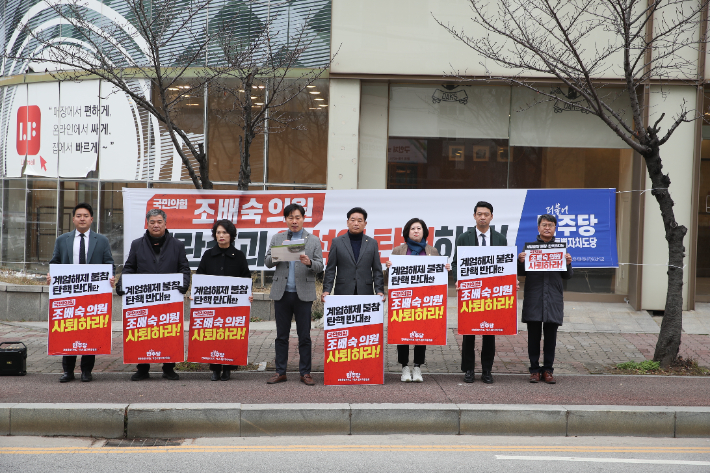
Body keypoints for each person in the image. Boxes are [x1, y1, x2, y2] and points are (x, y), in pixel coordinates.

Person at [116, 209, 191, 381]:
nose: (156, 225)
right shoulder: (137, 244)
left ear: (165, 223)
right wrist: (121, 284)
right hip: (144, 299)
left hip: (168, 299)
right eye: (152, 222)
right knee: (143, 332)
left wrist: (184, 284)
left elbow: (184, 269)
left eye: (159, 222)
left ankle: (169, 367)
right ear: (147, 224)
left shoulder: (177, 245)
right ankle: (142, 369)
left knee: (168, 331)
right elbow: (129, 268)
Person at [47, 203, 115, 383]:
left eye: (85, 215)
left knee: (89, 330)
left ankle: (86, 371)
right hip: (69, 294)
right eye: (79, 215)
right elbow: (55, 262)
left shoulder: (102, 240)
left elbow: (109, 263)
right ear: (73, 219)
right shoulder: (63, 240)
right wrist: (51, 276)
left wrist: (111, 278)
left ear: (91, 219)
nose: (82, 218)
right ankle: (68, 371)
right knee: (68, 330)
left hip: (93, 294)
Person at [264, 203, 324, 386]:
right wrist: (279, 254)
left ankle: (305, 372)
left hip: (303, 294)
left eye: (297, 217)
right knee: (281, 335)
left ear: (303, 219)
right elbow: (267, 262)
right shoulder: (278, 237)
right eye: (290, 218)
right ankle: (280, 371)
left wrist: (308, 263)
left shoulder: (313, 240)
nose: (294, 221)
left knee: (304, 335)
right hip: (282, 293)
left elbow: (320, 266)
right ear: (286, 220)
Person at [386, 218, 450, 383]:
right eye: (413, 228)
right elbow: (389, 278)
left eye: (419, 228)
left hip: (424, 300)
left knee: (422, 333)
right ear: (407, 232)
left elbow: (437, 278)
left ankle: (417, 367)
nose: (416, 231)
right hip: (404, 300)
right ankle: (404, 367)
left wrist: (445, 269)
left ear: (424, 232)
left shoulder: (432, 251)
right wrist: (389, 267)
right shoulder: (398, 251)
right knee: (403, 333)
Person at [453, 201, 506, 384]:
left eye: (486, 214)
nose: (482, 217)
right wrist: (458, 279)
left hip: (490, 293)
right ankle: (468, 369)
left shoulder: (500, 239)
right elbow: (455, 262)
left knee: (489, 331)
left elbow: (504, 265)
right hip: (470, 292)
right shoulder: (463, 238)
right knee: (469, 332)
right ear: (474, 216)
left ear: (491, 216)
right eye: (479, 214)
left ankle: (487, 369)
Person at [517, 214, 573, 384]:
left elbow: (568, 276)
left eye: (550, 225)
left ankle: (548, 370)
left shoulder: (560, 250)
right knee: (533, 336)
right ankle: (534, 370)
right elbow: (521, 273)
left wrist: (569, 263)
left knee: (551, 337)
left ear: (555, 228)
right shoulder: (531, 249)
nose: (547, 228)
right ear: (538, 228)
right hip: (534, 296)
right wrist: (520, 261)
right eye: (544, 225)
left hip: (553, 298)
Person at [195, 219, 253, 382]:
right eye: (218, 233)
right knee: (213, 335)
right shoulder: (208, 255)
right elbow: (200, 276)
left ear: (231, 235)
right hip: (212, 304)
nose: (221, 236)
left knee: (229, 335)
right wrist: (196, 293)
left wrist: (248, 294)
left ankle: (228, 369)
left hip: (233, 305)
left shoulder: (239, 255)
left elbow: (246, 278)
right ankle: (214, 369)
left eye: (225, 233)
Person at [322, 207, 385, 301]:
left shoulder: (372, 243)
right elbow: (330, 269)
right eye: (353, 220)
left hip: (365, 292)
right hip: (343, 291)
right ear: (347, 222)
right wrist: (327, 290)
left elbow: (377, 270)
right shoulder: (337, 242)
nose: (356, 223)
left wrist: (379, 290)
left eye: (360, 221)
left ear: (365, 224)